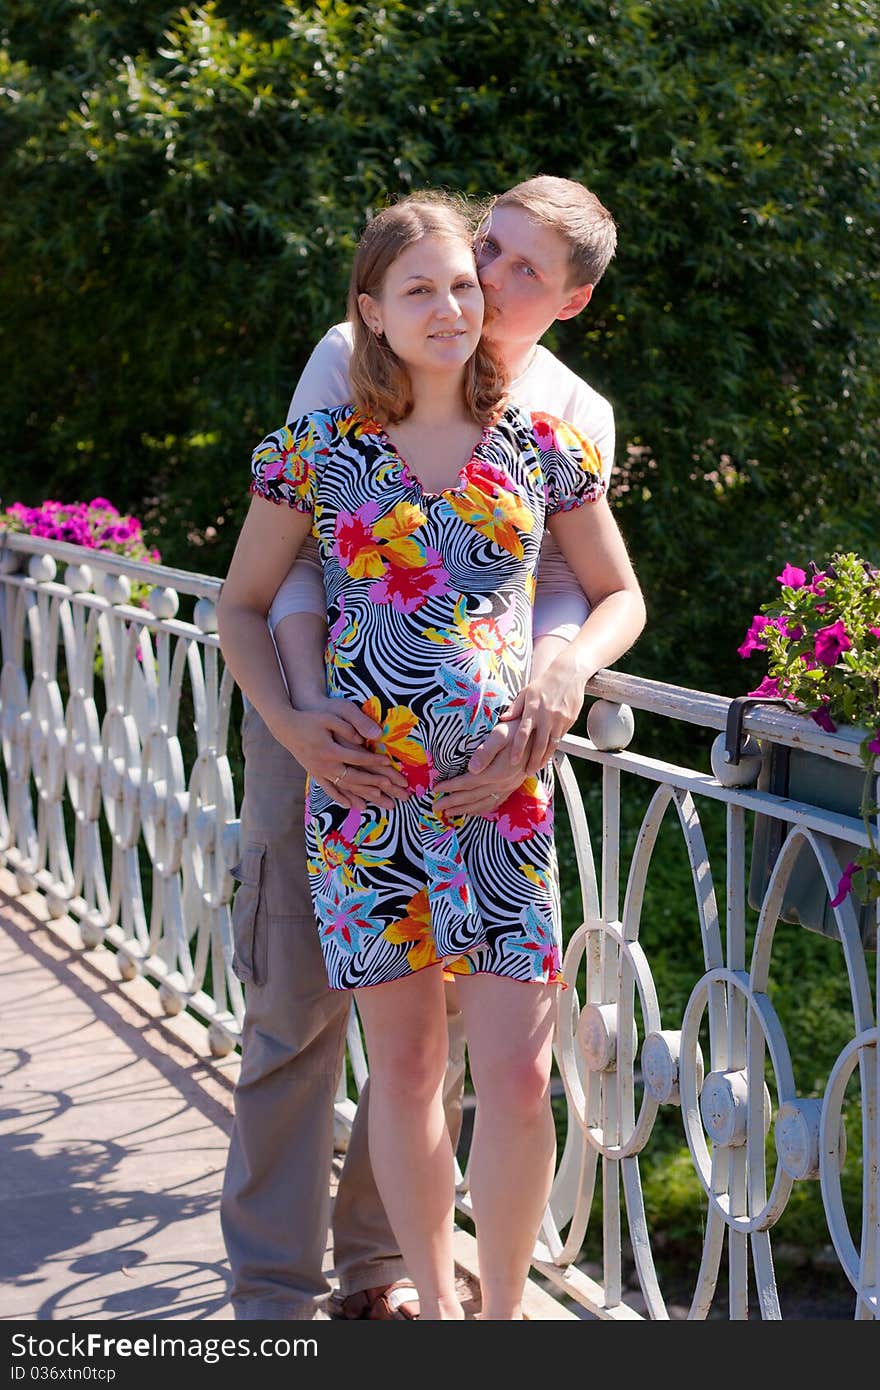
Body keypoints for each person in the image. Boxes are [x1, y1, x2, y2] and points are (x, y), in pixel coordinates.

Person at [218, 191, 645, 1320]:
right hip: (360, 800)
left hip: (501, 798)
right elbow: (247, 603)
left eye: (481, 278)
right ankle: (402, 1307)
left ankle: (496, 1314)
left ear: (564, 298)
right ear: (372, 309)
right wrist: (295, 721)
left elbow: (609, 593)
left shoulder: (550, 433)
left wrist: (566, 668)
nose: (466, 296)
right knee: (396, 1071)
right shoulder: (318, 441)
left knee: (515, 1072)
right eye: (434, 283)